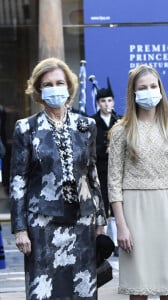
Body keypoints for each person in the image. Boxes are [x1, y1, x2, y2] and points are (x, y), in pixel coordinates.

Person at [10, 57, 106, 299]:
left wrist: (101, 220)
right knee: (45, 291)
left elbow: (93, 175)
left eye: (59, 82)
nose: (55, 88)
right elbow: (18, 181)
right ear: (39, 91)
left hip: (82, 221)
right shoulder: (26, 128)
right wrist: (20, 228)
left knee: (82, 289)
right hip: (42, 223)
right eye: (48, 84)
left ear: (69, 87)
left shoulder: (87, 125)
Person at [108, 64, 168, 299]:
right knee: (138, 288)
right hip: (133, 211)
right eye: (142, 87)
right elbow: (113, 182)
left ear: (161, 89)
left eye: (153, 86)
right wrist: (121, 226)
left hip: (166, 209)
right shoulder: (121, 132)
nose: (149, 91)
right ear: (133, 93)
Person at [92, 77, 122, 257]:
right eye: (103, 101)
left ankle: (119, 240)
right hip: (101, 171)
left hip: (118, 171)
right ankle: (107, 240)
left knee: (118, 204)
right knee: (104, 207)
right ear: (98, 103)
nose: (106, 104)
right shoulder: (92, 121)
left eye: (109, 100)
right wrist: (105, 149)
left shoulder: (120, 120)